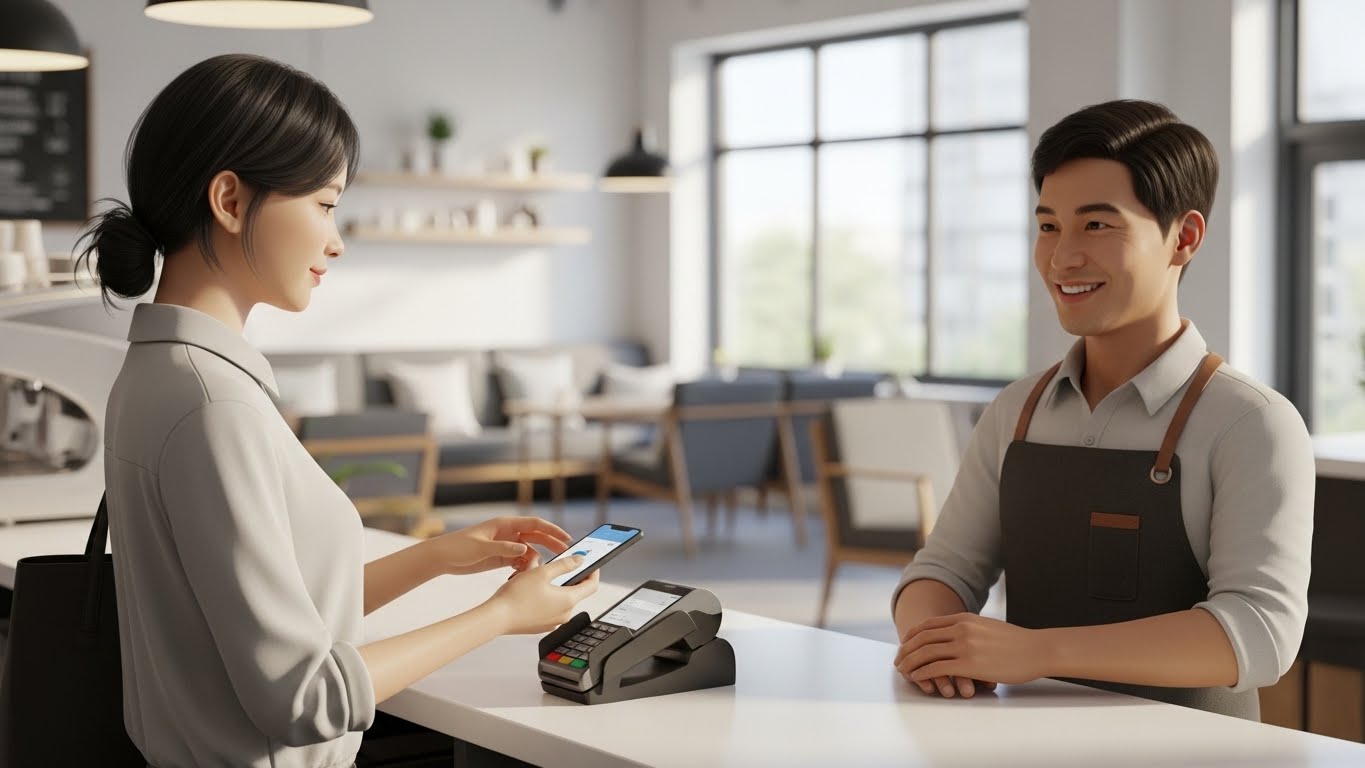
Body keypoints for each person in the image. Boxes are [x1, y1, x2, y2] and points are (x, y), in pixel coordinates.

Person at [83, 53, 596, 768]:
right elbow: (300, 696)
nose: (336, 240)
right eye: (324, 203)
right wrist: (501, 615)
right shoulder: (212, 405)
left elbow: (256, 616)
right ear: (230, 202)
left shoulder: (163, 373)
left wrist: (435, 558)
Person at [890, 100, 1314, 720]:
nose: (1061, 258)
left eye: (1096, 226)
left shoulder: (1251, 423)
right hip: (1025, 744)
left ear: (1184, 238)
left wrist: (1034, 652)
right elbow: (944, 569)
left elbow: (1259, 631)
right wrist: (935, 642)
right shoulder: (1016, 410)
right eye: (1047, 226)